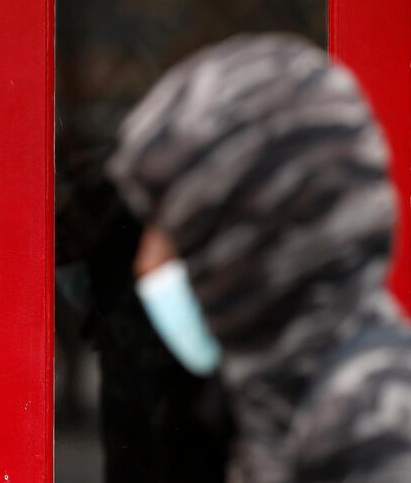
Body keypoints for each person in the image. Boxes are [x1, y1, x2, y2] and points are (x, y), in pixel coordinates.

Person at [107, 34, 411, 483]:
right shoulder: (280, 403)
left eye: (174, 234)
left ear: (248, 243)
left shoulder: (373, 425)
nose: (146, 264)